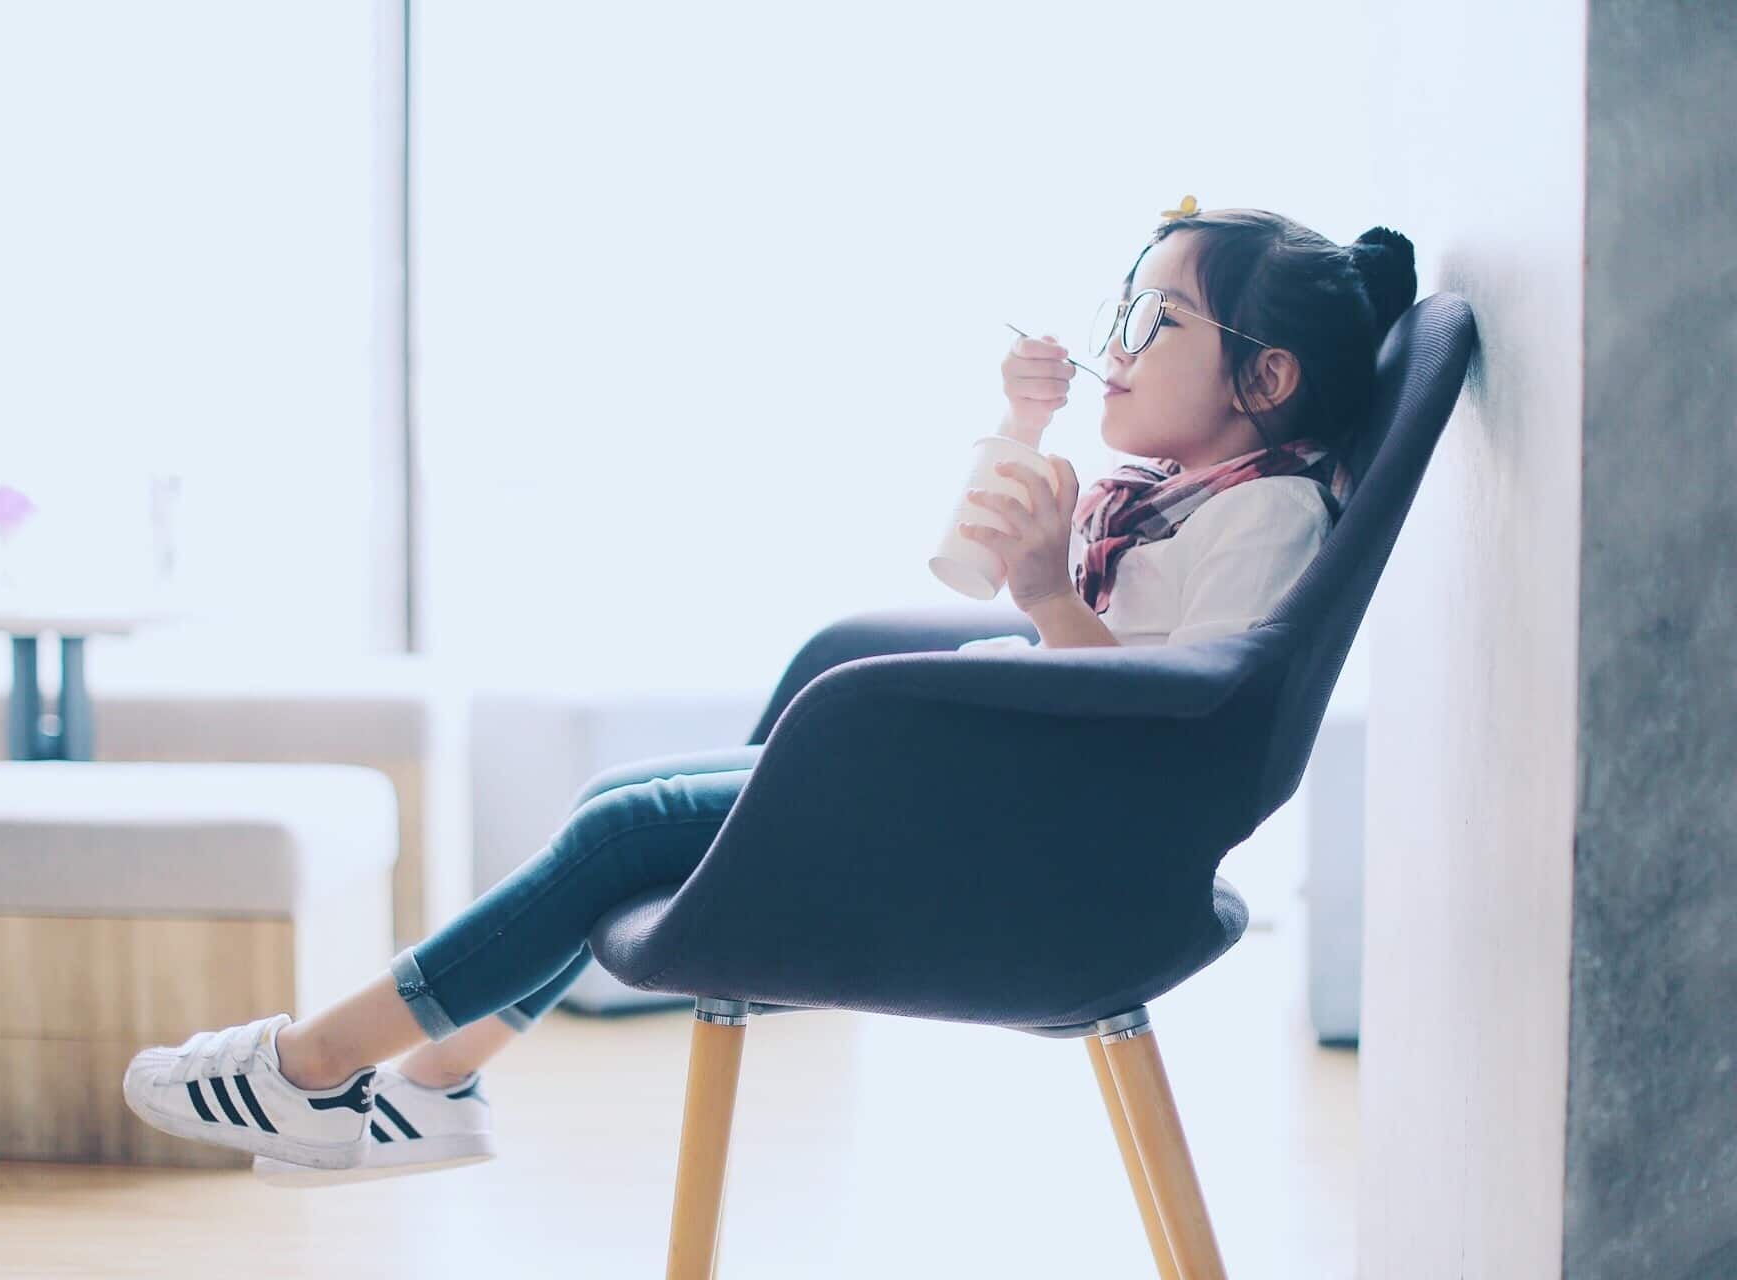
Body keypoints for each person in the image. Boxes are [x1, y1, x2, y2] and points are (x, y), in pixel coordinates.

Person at [122, 203, 1417, 1185]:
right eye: (1119, 311)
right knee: (626, 806)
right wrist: (1022, 441)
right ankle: (437, 1088)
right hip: (991, 786)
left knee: (628, 833)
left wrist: (1052, 605)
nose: (1114, 346)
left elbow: (1169, 736)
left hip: (1040, 845)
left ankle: (313, 1065)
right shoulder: (1177, 495)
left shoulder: (1268, 522)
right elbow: (970, 570)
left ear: (1270, 379)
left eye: (1156, 323)